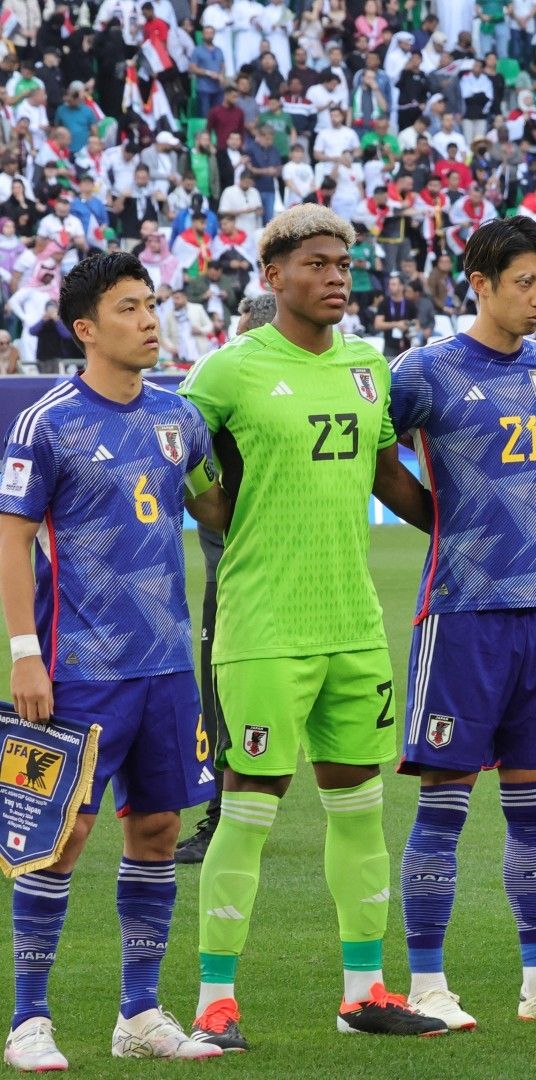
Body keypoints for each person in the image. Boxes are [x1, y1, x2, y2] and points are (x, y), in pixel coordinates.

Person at [178, 204, 445, 1048]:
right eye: (319, 264)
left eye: (345, 265)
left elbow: (384, 473)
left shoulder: (368, 366)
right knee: (250, 806)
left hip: (354, 624)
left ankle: (363, 994)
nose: (337, 277)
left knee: (361, 810)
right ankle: (215, 1002)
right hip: (262, 624)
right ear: (273, 276)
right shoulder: (230, 370)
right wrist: (216, 510)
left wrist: (463, 522)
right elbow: (171, 446)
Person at [0, 253, 231, 1071]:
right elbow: (13, 538)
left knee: (160, 829)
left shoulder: (180, 417)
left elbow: (212, 505)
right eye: (129, 307)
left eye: (152, 302)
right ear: (86, 328)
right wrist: (25, 654)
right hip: (78, 666)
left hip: (167, 666)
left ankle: (138, 1012)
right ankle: (28, 1021)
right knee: (62, 839)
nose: (148, 318)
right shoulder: (49, 421)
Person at [385, 217, 536, 1031]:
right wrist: (440, 523)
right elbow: (379, 454)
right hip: (462, 615)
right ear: (478, 281)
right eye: (525, 282)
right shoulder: (426, 371)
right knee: (443, 805)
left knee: (534, 806)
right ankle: (428, 982)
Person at [176, 295, 281, 867]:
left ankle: (232, 810)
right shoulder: (220, 380)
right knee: (225, 691)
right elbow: (180, 443)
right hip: (234, 554)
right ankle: (228, 809)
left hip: (251, 560)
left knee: (226, 687)